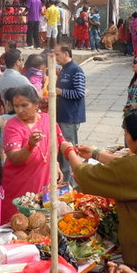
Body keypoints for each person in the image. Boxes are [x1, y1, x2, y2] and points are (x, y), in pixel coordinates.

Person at [61, 109, 137, 269]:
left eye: (126, 133)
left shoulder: (136, 167)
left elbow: (84, 175)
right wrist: (96, 153)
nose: (125, 137)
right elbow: (122, 163)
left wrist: (68, 152)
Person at [1, 85, 67, 222]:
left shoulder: (47, 119)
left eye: (24, 105)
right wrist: (29, 146)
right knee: (19, 223)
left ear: (36, 104)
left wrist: (55, 162)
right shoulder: (12, 125)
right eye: (16, 106)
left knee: (42, 222)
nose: (19, 110)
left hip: (43, 180)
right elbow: (14, 158)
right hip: (19, 185)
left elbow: (58, 142)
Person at [54, 44, 86, 185]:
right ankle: (64, 182)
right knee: (61, 150)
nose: (55, 58)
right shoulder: (63, 70)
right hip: (61, 115)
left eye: (57, 54)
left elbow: (79, 93)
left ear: (66, 54)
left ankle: (71, 184)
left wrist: (61, 92)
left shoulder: (76, 70)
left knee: (68, 150)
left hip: (70, 116)